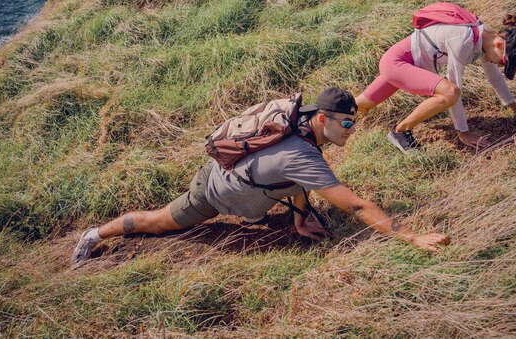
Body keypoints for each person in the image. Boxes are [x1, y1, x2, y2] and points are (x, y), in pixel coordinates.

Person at [71, 87, 449, 269]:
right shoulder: (302, 152)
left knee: (273, 201)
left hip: (246, 186)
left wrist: (301, 219)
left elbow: (300, 178)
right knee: (158, 223)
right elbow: (355, 205)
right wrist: (410, 236)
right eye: (347, 123)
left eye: (355, 122)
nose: (352, 129)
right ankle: (94, 235)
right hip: (214, 194)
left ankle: (257, 212)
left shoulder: (303, 128)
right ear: (322, 118)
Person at [355, 3, 516, 152]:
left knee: (360, 105)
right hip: (398, 62)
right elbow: (453, 89)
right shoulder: (463, 40)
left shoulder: (485, 39)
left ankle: (328, 112)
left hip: (406, 65)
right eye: (504, 63)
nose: (500, 66)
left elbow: (494, 78)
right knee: (450, 92)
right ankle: (400, 131)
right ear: (500, 44)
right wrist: (464, 132)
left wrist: (515, 107)